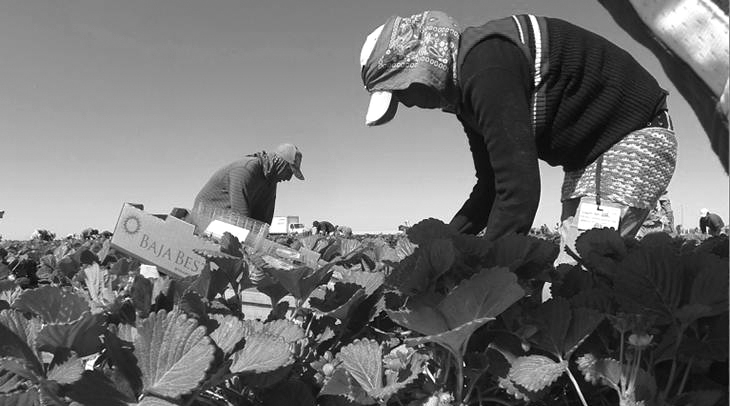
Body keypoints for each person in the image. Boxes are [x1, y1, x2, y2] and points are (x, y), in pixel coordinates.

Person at [359, 11, 677, 265]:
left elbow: (519, 189)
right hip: (591, 159)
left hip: (630, 139)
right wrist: (446, 244)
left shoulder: (486, 68)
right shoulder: (467, 96)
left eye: (401, 92)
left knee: (584, 266)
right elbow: (490, 186)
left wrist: (486, 273)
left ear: (421, 66)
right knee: (576, 265)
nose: (407, 104)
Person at [193, 143, 304, 224]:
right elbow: (241, 216)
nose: (289, 178)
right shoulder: (245, 170)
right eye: (289, 171)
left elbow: (263, 221)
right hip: (206, 218)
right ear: (279, 162)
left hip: (229, 222)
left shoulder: (270, 181)